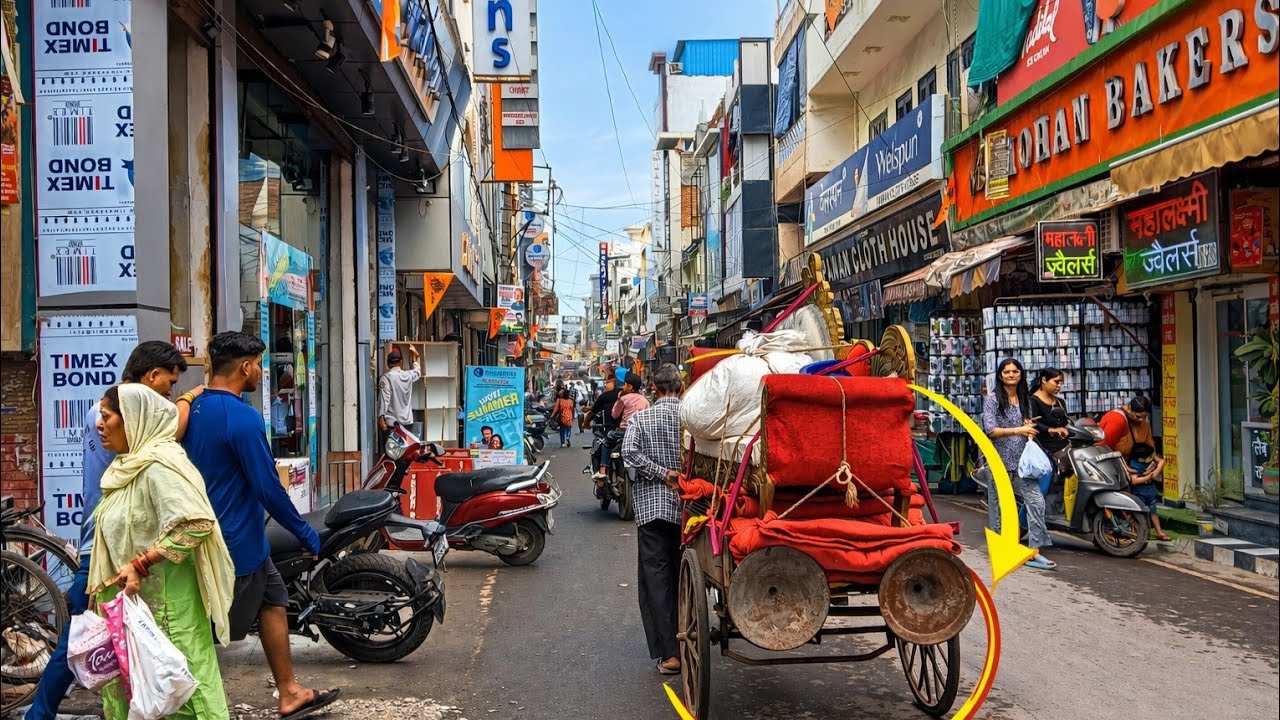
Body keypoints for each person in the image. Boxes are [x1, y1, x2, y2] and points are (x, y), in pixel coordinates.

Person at [26, 342, 197, 720]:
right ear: (152, 375)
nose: (170, 393)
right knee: (82, 636)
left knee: (107, 635)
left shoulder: (106, 410)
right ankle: (39, 714)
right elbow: (168, 435)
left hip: (108, 542)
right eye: (169, 384)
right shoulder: (118, 416)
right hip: (105, 547)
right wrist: (189, 399)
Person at [182, 331, 340, 718]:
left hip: (233, 537)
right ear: (244, 367)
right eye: (258, 366)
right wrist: (304, 531)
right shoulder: (242, 417)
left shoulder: (195, 409)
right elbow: (268, 487)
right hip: (233, 543)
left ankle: (289, 691)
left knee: (274, 600)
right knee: (207, 631)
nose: (260, 373)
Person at [88, 384, 236, 719]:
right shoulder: (125, 467)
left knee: (183, 691)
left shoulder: (159, 466)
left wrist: (141, 564)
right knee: (141, 695)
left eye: (107, 416)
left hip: (166, 608)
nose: (99, 424)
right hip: (130, 608)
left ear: (133, 419)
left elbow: (195, 523)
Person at [620, 363, 685, 676]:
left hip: (652, 511)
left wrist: (662, 474)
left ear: (654, 389)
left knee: (657, 580)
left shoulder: (641, 418)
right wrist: (677, 475)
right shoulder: (693, 418)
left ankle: (671, 654)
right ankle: (688, 637)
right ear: (680, 387)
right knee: (683, 576)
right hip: (690, 510)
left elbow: (629, 454)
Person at [983, 357, 1056, 570]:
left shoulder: (1025, 399)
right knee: (999, 509)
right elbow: (990, 430)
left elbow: (1026, 425)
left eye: (1015, 371)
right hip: (998, 463)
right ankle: (1001, 549)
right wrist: (1018, 430)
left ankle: (1034, 550)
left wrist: (1028, 427)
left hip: (1022, 464)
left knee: (1036, 501)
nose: (1011, 375)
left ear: (1021, 374)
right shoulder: (993, 400)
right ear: (1000, 375)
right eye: (1007, 372)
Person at [1098, 395, 1170, 540]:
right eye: (1138, 417)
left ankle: (1142, 531)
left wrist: (1154, 466)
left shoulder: (1144, 424)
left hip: (1135, 468)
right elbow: (1102, 448)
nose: (1141, 420)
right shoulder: (1116, 420)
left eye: (1145, 417)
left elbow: (1150, 448)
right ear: (1129, 409)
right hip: (1114, 468)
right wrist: (1123, 466)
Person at [1028, 368, 1071, 497]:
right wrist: (1051, 430)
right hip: (1044, 448)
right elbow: (1032, 423)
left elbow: (1066, 422)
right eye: (1056, 382)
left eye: (1060, 383)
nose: (1058, 386)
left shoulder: (1060, 402)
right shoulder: (1033, 401)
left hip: (1063, 446)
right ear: (1044, 380)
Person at [378, 345, 421, 448]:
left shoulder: (386, 378)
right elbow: (417, 372)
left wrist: (381, 418)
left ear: (388, 364)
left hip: (393, 424)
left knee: (393, 452)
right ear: (401, 362)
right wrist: (414, 360)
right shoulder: (408, 375)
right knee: (407, 451)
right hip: (408, 423)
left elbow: (384, 399)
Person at [585, 374, 623, 480]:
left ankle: (602, 472)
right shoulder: (630, 396)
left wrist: (586, 423)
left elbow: (594, 411)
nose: (605, 384)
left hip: (612, 429)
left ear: (614, 381)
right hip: (629, 431)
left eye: (607, 381)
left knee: (599, 448)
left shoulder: (606, 396)